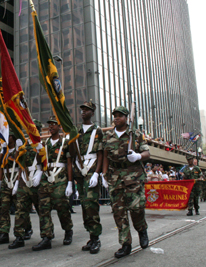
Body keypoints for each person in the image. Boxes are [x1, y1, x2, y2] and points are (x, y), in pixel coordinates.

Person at [103, 106, 151, 259]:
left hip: (133, 176)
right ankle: (125, 244)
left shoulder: (135, 134)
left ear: (126, 118)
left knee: (136, 208)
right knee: (119, 212)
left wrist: (137, 156)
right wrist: (103, 175)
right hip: (115, 177)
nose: (116, 118)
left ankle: (142, 230)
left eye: (120, 116)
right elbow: (105, 156)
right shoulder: (108, 135)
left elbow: (147, 153)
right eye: (115, 115)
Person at [32, 116, 74, 251]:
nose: (51, 127)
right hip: (46, 178)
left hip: (60, 178)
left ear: (59, 127)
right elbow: (40, 161)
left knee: (62, 206)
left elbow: (69, 164)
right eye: (49, 125)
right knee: (43, 208)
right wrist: (38, 171)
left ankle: (68, 230)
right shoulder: (45, 143)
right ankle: (46, 237)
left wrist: (70, 183)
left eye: (54, 124)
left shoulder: (65, 143)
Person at [72, 100, 103, 254]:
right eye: (82, 109)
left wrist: (98, 173)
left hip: (91, 170)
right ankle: (91, 235)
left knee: (91, 205)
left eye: (87, 109)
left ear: (92, 112)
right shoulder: (76, 132)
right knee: (84, 206)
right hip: (80, 172)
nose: (83, 112)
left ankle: (96, 237)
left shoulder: (97, 131)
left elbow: (100, 153)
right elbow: (73, 155)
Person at [9, 120, 43, 249]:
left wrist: (40, 173)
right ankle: (19, 236)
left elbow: (47, 162)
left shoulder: (42, 144)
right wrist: (18, 148)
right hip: (24, 179)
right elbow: (19, 163)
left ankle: (46, 235)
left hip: (38, 180)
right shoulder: (25, 145)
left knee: (42, 210)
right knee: (20, 208)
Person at [0, 132, 21, 245]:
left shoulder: (17, 149)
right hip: (6, 181)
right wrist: (3, 151)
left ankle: (22, 232)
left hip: (15, 179)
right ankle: (4, 233)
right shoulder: (5, 150)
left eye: (7, 136)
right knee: (4, 208)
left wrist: (18, 182)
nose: (5, 138)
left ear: (13, 137)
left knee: (19, 209)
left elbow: (21, 165)